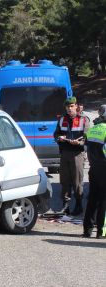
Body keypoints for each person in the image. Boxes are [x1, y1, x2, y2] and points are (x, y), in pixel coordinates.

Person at [53, 97, 90, 215]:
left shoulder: (83, 119)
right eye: (67, 106)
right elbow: (56, 133)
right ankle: (66, 205)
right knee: (64, 180)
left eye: (72, 106)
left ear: (76, 106)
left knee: (77, 181)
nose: (69, 109)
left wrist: (79, 142)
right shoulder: (62, 119)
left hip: (77, 154)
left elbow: (87, 137)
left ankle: (79, 205)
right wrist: (59, 138)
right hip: (64, 153)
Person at [83, 104, 106, 238]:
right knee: (103, 200)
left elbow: (86, 148)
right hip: (104, 168)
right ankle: (100, 231)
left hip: (93, 169)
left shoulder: (93, 129)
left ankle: (87, 229)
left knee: (92, 198)